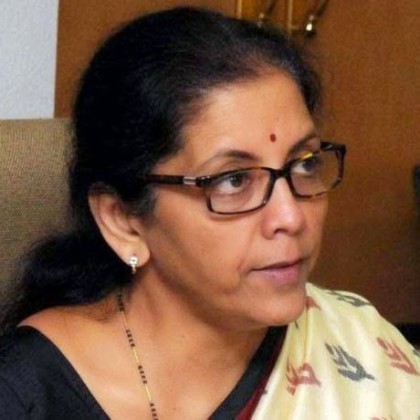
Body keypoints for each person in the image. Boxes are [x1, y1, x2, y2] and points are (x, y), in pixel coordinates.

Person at [0, 6, 418, 419]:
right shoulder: (28, 394)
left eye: (304, 164)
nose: (291, 217)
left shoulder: (362, 348)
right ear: (122, 221)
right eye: (233, 180)